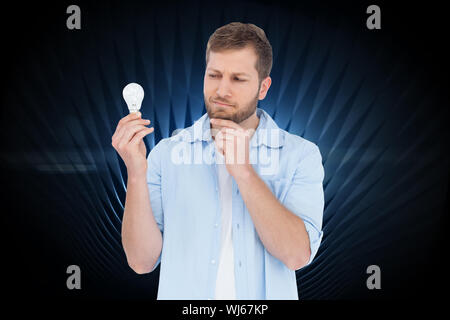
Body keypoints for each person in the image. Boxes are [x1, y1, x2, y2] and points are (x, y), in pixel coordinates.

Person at [112, 22, 325, 300]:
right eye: (214, 75)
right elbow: (141, 262)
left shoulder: (301, 155)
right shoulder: (166, 154)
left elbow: (297, 255)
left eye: (238, 79)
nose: (222, 90)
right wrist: (136, 173)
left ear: (263, 87)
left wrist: (244, 173)